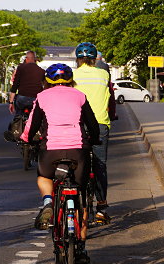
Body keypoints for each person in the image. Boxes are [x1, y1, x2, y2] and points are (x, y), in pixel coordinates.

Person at [20, 64, 100, 264]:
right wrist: (95, 138)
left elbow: (33, 125)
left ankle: (48, 202)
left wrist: (26, 139)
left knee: (44, 177)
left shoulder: (42, 97)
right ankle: (80, 246)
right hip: (78, 150)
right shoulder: (79, 96)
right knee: (80, 196)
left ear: (47, 81)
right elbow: (92, 124)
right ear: (71, 79)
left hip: (51, 150)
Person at [74, 42, 112, 224]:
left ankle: (72, 202)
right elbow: (108, 96)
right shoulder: (103, 74)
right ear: (94, 60)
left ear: (78, 59)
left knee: (75, 162)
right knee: (100, 165)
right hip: (100, 123)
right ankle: (102, 208)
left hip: (77, 124)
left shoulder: (71, 75)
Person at [8, 51, 44, 115]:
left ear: (26, 59)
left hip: (22, 98)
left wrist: (11, 102)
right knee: (37, 116)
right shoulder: (41, 71)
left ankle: (18, 120)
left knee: (19, 114)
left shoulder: (20, 68)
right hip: (36, 99)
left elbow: (15, 86)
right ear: (35, 60)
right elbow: (45, 87)